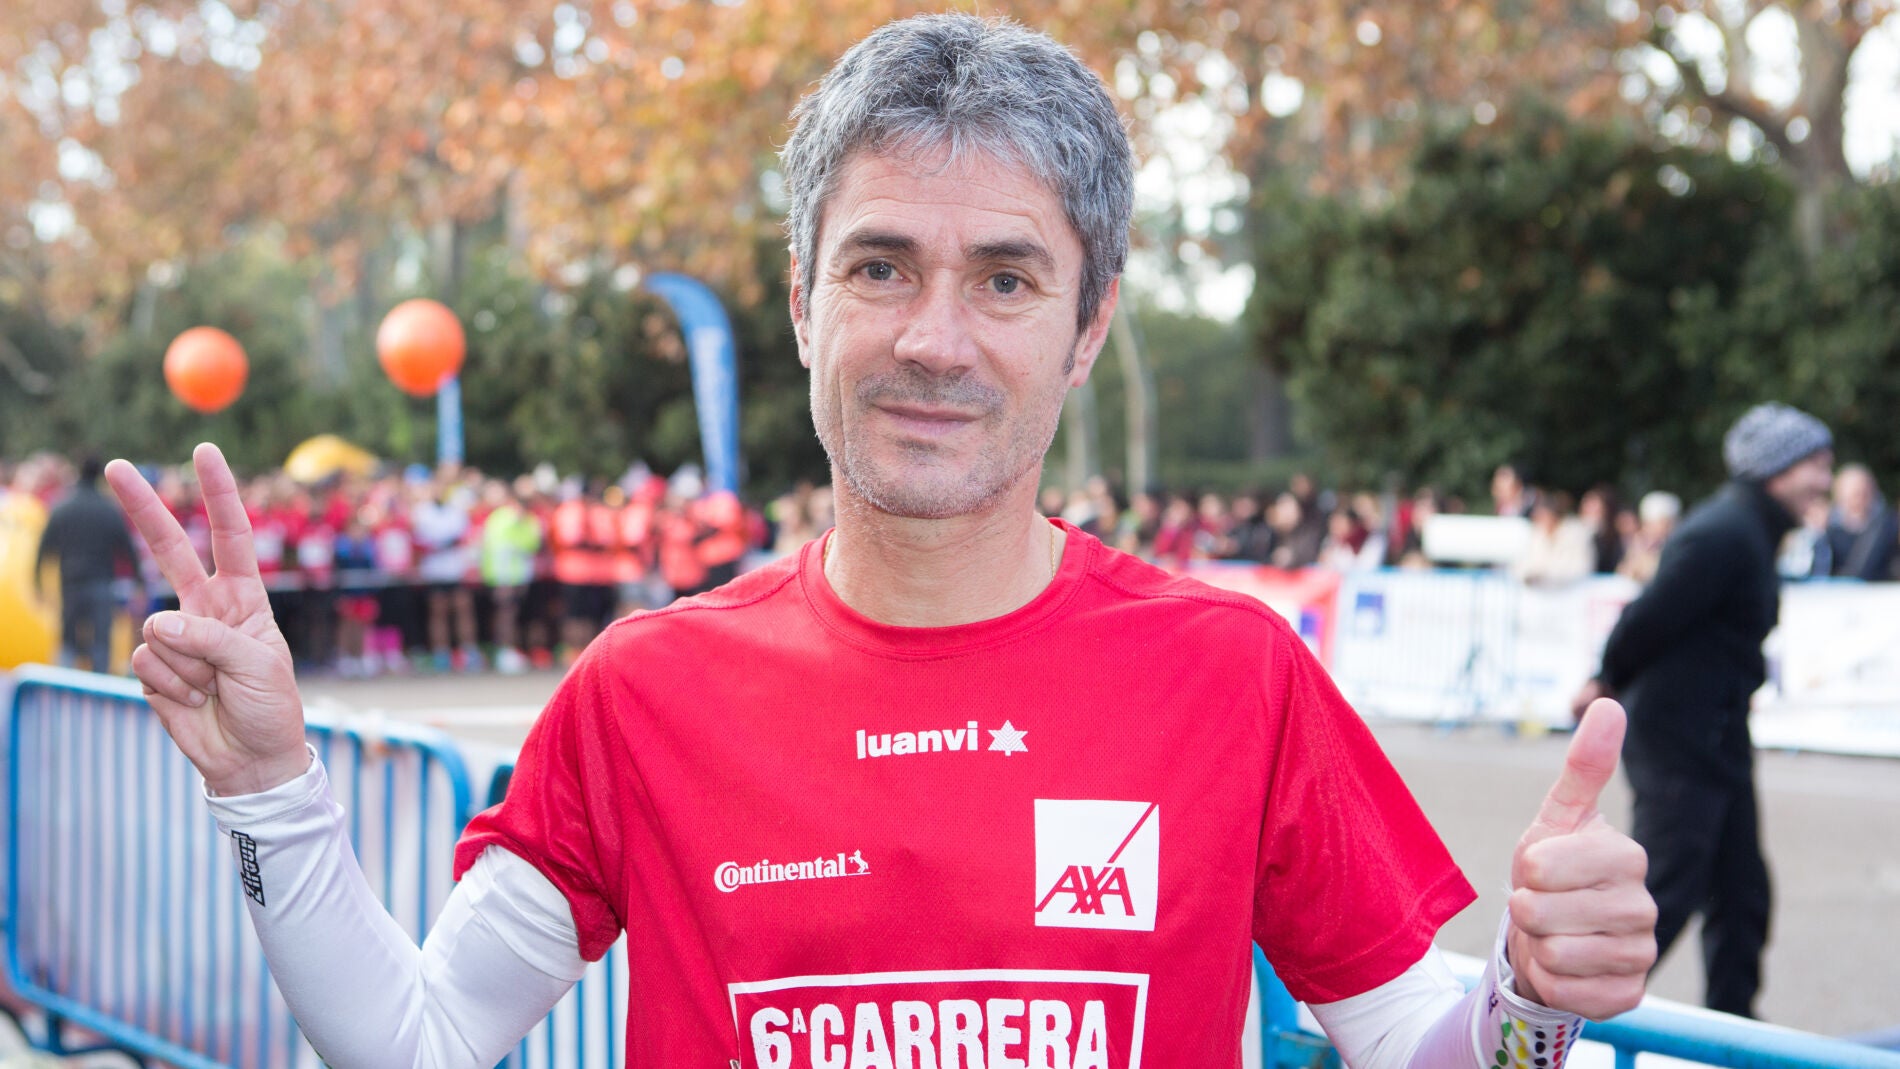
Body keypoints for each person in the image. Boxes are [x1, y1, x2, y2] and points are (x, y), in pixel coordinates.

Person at [107, 16, 1653, 1067]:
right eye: (881, 266)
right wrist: (267, 791)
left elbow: (1433, 1054)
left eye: (1003, 279)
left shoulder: (1234, 672)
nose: (934, 338)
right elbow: (421, 1045)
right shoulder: (643, 687)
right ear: (802, 304)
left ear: (1088, 325)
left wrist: (1534, 999)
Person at [1574, 402, 1833, 1019]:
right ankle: (1561, 1017)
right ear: (1778, 468)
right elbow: (1647, 617)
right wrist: (1605, 679)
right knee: (1666, 892)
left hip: (1717, 737)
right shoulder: (1723, 531)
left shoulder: (1753, 530)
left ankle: (1733, 1029)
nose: (1825, 480)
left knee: (1742, 893)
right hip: (1677, 738)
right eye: (1816, 465)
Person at [34, 455, 141, 672]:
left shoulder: (62, 507)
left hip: (70, 582)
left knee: (67, 639)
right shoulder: (108, 509)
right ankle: (98, 693)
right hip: (101, 582)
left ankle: (63, 687)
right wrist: (140, 581)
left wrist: (37, 581)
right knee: (101, 642)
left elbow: (44, 548)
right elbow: (127, 547)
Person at [1824, 463, 1898, 580]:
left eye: (1865, 492)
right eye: (1855, 494)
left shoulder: (1890, 525)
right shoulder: (1825, 528)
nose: (1860, 499)